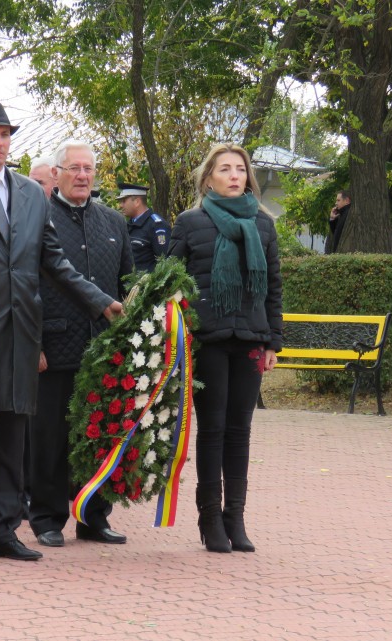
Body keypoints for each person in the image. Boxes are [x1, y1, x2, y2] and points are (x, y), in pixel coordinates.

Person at [0, 102, 123, 565]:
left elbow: (53, 261)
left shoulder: (33, 195)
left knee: (13, 441)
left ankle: (3, 530)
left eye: (5, 134)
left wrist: (100, 301)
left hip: (22, 332)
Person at [168, 142, 282, 553]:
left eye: (239, 169)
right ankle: (210, 519)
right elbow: (169, 281)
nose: (234, 175)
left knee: (240, 431)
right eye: (224, 169)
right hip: (208, 342)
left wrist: (274, 341)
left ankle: (236, 517)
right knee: (212, 430)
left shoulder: (263, 225)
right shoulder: (190, 222)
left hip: (251, 341)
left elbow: (273, 288)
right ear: (208, 177)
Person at [28, 140, 133, 548]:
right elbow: (29, 285)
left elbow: (127, 283)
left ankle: (94, 517)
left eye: (88, 169)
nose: (83, 176)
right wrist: (32, 343)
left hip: (104, 351)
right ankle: (47, 517)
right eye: (74, 168)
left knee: (100, 436)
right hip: (54, 346)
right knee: (50, 438)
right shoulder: (38, 218)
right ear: (56, 174)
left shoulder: (113, 223)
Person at [117, 181, 170, 272]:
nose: (121, 205)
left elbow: (165, 263)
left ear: (137, 201)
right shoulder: (127, 225)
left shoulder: (157, 226)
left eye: (124, 201)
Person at [325, 190, 351, 254]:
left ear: (347, 201)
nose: (336, 203)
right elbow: (336, 233)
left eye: (338, 200)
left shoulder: (347, 214)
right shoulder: (342, 214)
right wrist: (332, 219)